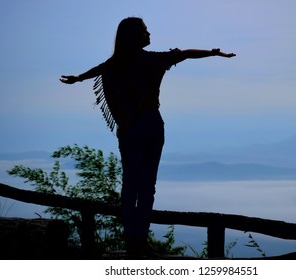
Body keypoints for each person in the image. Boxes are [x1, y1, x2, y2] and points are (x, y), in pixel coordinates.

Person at [60, 17, 235, 256]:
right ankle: (139, 242)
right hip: (151, 126)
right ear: (135, 36)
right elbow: (185, 54)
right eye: (144, 31)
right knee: (146, 187)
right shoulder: (152, 61)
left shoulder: (116, 64)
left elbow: (99, 70)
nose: (149, 33)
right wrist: (213, 53)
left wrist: (79, 78)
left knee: (130, 185)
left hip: (129, 129)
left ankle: (133, 240)